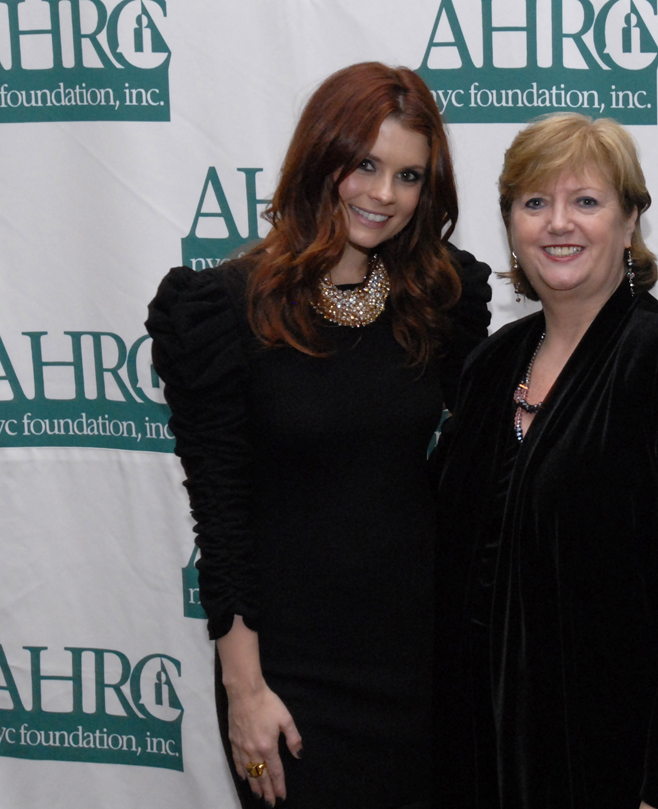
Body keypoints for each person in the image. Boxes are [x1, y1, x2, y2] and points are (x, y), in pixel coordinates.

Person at [146, 62, 492, 809]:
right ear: (320, 156)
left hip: (422, 662)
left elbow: (482, 464)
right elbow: (222, 515)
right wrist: (245, 692)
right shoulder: (221, 311)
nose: (383, 195)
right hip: (293, 679)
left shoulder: (440, 299)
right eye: (364, 164)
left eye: (408, 177)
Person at [431, 112, 658, 809]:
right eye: (534, 203)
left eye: (586, 201)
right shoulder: (490, 366)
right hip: (480, 759)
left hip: (613, 766)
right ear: (511, 223)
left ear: (630, 219)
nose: (558, 224)